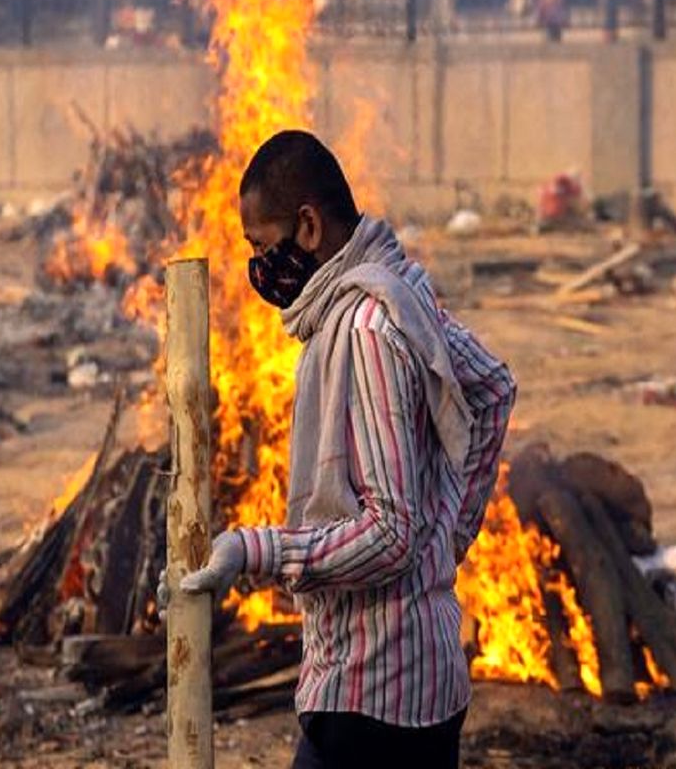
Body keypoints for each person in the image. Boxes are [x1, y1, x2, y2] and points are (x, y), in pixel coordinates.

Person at [175, 130, 516, 768]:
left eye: (260, 245)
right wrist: (450, 530)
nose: (258, 266)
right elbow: (493, 387)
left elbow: (391, 532)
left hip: (377, 690)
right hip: (413, 681)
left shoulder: (364, 329)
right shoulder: (398, 287)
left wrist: (256, 550)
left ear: (307, 226)